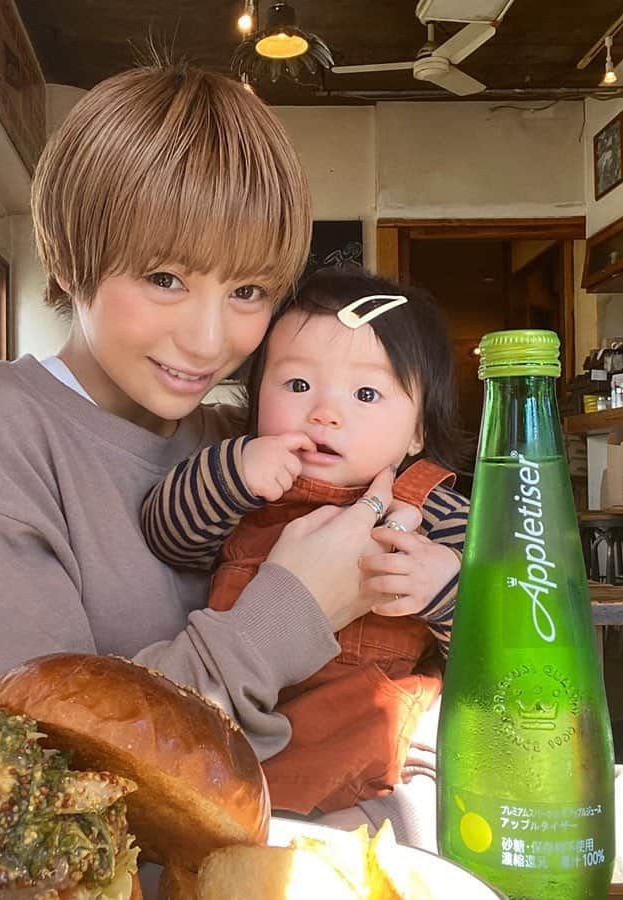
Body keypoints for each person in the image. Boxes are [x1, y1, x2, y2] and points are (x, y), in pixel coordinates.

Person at [0, 63, 412, 770]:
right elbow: (5, 768)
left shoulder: (242, 441)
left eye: (248, 290)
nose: (210, 340)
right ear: (69, 258)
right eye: (165, 279)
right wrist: (292, 611)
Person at [141, 266, 469, 816]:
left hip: (380, 769)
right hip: (237, 750)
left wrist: (446, 589)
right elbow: (167, 537)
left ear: (417, 431)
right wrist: (232, 474)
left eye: (367, 392)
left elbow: (504, 640)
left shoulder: (431, 509)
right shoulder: (245, 484)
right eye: (297, 385)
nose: (324, 412)